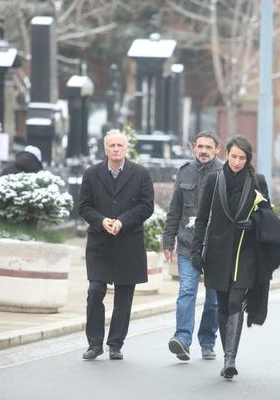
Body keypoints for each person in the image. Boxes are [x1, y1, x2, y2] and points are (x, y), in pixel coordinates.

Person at [191, 135, 280, 380]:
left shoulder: (257, 181)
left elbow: (268, 215)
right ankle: (227, 355)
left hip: (245, 251)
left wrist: (252, 223)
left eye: (242, 158)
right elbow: (202, 218)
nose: (237, 161)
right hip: (218, 252)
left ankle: (230, 359)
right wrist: (195, 250)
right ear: (227, 155)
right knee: (222, 303)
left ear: (248, 159)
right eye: (233, 156)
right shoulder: (214, 180)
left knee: (235, 301)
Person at [78, 129, 154, 360]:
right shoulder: (92, 174)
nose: (116, 149)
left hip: (128, 243)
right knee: (95, 291)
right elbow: (84, 207)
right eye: (112, 145)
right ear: (105, 149)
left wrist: (123, 221)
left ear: (126, 148)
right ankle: (94, 344)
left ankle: (115, 344)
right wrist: (102, 221)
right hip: (100, 243)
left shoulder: (140, 174)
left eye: (120, 145)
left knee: (124, 297)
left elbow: (146, 206)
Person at [162, 131, 223, 361]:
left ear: (217, 149)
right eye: (200, 146)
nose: (204, 151)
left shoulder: (224, 172)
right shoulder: (184, 171)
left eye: (209, 147)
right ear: (193, 148)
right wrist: (168, 240)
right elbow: (174, 209)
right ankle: (182, 339)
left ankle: (207, 341)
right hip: (188, 245)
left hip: (216, 247)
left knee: (214, 298)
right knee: (186, 291)